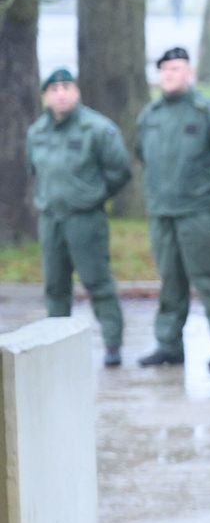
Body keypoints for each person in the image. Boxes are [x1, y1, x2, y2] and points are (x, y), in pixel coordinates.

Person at [134, 47, 210, 369]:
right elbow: (144, 156)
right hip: (163, 211)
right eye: (165, 69)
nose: (170, 75)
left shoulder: (208, 112)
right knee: (170, 281)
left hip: (199, 213)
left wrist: (205, 188)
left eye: (177, 68)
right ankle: (169, 345)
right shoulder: (150, 116)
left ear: (189, 73)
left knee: (209, 279)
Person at [26, 69, 131, 366]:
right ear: (45, 96)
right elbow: (33, 169)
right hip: (51, 219)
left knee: (97, 282)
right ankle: (56, 346)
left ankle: (112, 343)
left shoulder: (97, 129)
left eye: (66, 87)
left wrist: (93, 195)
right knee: (55, 286)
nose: (60, 93)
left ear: (77, 92)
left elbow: (119, 170)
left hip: (85, 219)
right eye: (54, 88)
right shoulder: (37, 132)